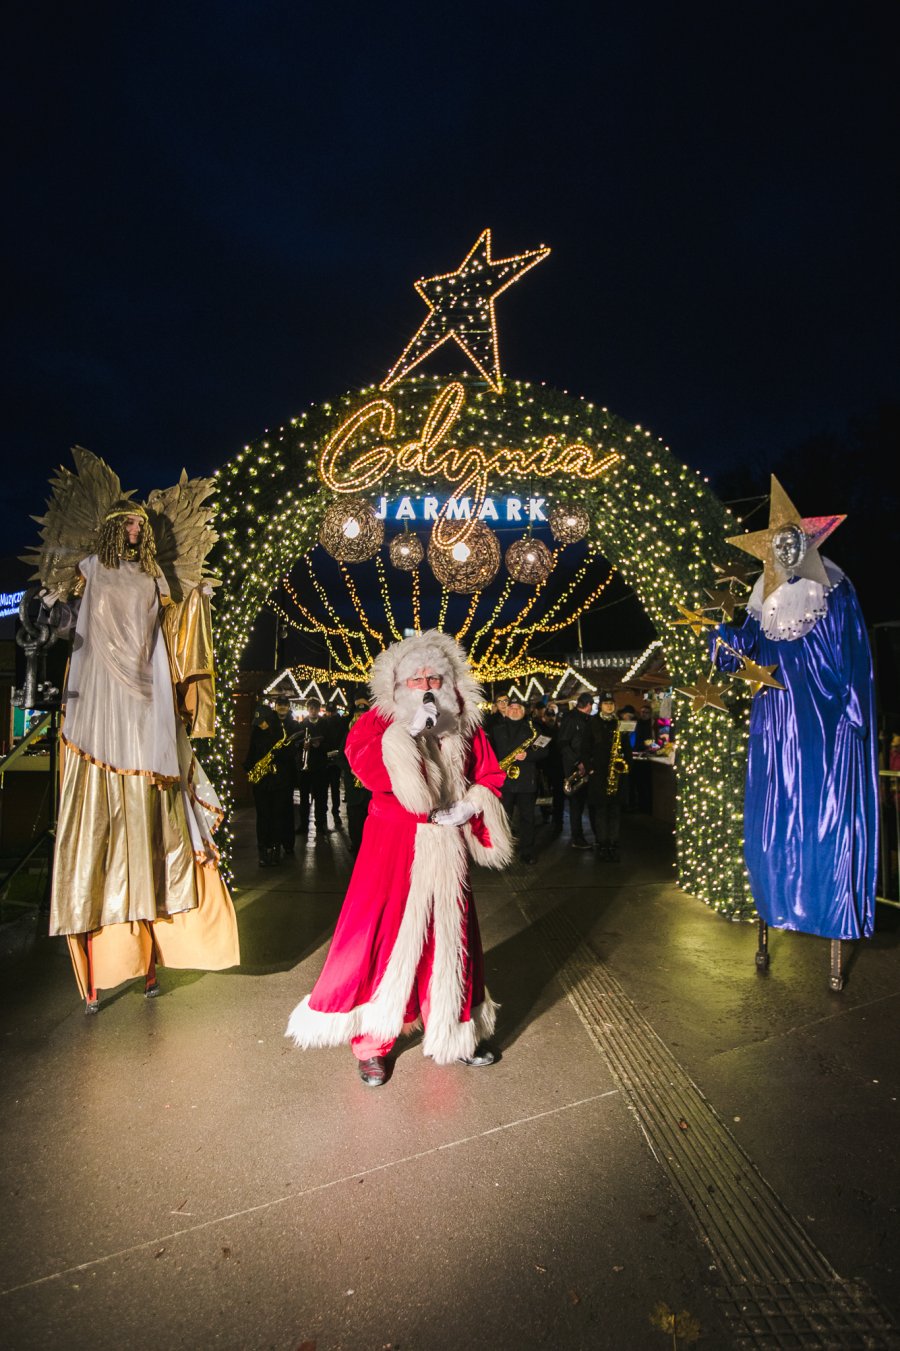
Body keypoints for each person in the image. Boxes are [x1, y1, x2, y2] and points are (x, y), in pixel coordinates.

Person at [285, 630, 512, 1087]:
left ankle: (454, 1031)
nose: (426, 685)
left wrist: (469, 806)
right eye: (415, 679)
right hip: (392, 848)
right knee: (381, 938)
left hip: (446, 848)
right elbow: (366, 769)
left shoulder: (465, 722)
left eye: (434, 676)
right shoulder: (375, 722)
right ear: (397, 684)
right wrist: (405, 733)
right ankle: (373, 1042)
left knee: (451, 940)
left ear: (450, 681)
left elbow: (488, 773)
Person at [47, 500, 239, 1011]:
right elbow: (67, 613)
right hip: (100, 708)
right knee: (104, 832)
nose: (136, 531)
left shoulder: (154, 580)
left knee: (154, 829)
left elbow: (171, 640)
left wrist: (196, 598)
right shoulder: (92, 569)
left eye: (141, 525)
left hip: (146, 706)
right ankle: (103, 965)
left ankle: (151, 955)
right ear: (113, 526)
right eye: (129, 523)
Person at [715, 484, 878, 939]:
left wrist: (854, 709)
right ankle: (778, 903)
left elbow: (855, 653)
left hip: (821, 715)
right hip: (774, 720)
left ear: (808, 543)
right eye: (777, 544)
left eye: (792, 542)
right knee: (775, 812)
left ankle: (825, 908)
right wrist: (721, 633)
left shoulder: (834, 588)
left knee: (823, 809)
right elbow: (737, 653)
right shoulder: (760, 594)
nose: (784, 549)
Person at [489, 695, 549, 864]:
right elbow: (489, 752)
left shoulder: (534, 729)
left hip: (526, 781)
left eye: (518, 709)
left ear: (523, 712)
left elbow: (545, 751)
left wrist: (528, 755)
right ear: (506, 711)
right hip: (504, 780)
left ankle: (527, 852)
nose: (514, 711)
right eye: (511, 708)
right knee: (503, 818)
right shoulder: (496, 729)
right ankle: (502, 851)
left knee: (528, 818)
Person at [244, 694, 300, 866]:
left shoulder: (279, 729)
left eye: (263, 721)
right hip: (262, 781)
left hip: (280, 781)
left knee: (277, 815)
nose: (262, 724)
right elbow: (251, 753)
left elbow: (290, 754)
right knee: (263, 816)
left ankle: (275, 848)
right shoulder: (257, 732)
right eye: (259, 722)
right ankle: (264, 849)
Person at [586, 692, 633, 860]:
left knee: (614, 809)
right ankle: (602, 841)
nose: (609, 706)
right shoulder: (592, 723)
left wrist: (627, 765)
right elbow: (585, 747)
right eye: (606, 703)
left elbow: (627, 748)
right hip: (599, 773)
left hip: (616, 773)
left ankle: (613, 841)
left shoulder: (619, 723)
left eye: (611, 703)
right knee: (600, 809)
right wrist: (590, 768)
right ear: (601, 705)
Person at [559, 692, 595, 848]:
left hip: (585, 766)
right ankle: (577, 837)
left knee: (582, 804)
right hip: (576, 768)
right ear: (589, 706)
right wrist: (578, 762)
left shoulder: (584, 719)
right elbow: (563, 744)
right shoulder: (572, 719)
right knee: (577, 805)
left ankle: (583, 836)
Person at [341, 697, 373, 853]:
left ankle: (367, 846)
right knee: (354, 818)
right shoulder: (348, 733)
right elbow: (341, 757)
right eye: (358, 713)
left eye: (363, 713)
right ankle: (355, 845)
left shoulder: (374, 732)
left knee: (369, 819)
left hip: (369, 786)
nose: (360, 716)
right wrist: (351, 769)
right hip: (354, 785)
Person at [296, 697, 330, 838]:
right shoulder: (302, 725)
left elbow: (330, 742)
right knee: (304, 798)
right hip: (306, 769)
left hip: (320, 767)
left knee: (321, 797)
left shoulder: (324, 724)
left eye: (315, 708)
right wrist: (301, 745)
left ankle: (320, 824)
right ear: (308, 709)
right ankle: (303, 824)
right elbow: (296, 742)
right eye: (311, 708)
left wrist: (320, 745)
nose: (313, 711)